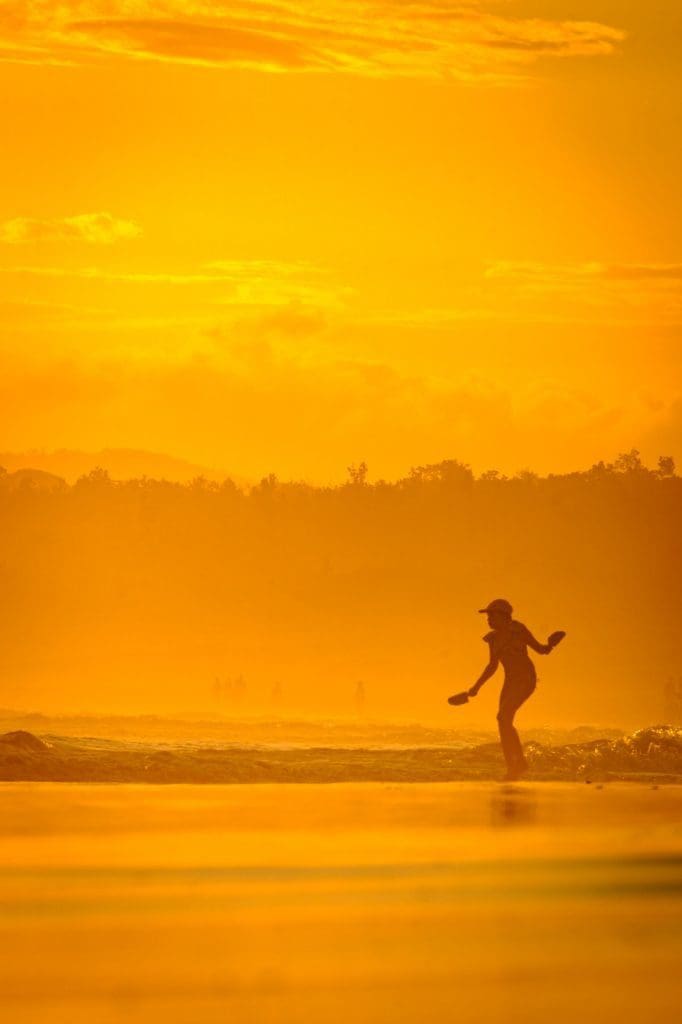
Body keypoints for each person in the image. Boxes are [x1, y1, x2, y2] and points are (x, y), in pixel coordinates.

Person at [456, 599, 564, 781]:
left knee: (503, 717)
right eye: (487, 616)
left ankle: (519, 763)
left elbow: (541, 650)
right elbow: (492, 666)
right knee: (502, 720)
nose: (488, 619)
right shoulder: (493, 639)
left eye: (491, 615)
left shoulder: (518, 630)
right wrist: (475, 687)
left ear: (503, 615)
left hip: (526, 679)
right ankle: (513, 765)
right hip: (510, 681)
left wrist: (551, 644)